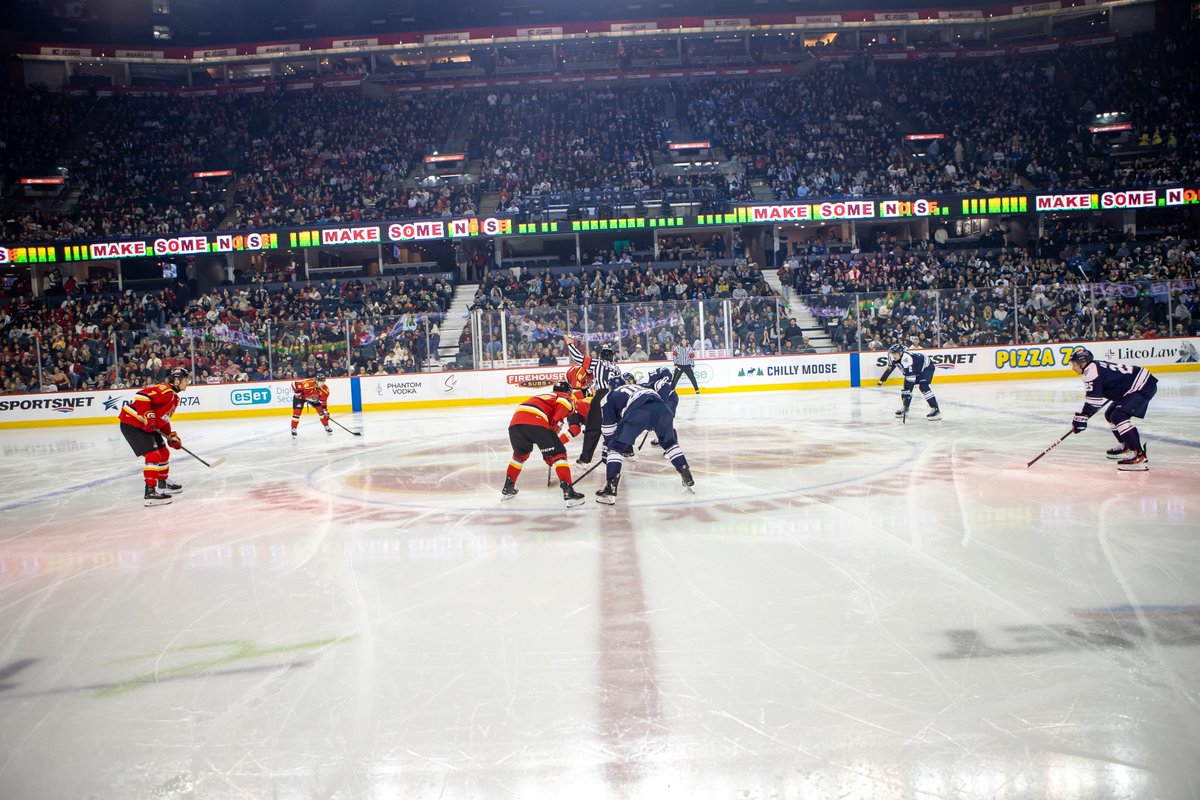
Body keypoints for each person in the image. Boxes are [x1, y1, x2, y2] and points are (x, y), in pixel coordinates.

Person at [595, 373, 693, 504]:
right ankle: (685, 472)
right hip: (662, 408)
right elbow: (664, 385)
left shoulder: (609, 397)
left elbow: (608, 429)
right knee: (670, 444)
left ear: (610, 387)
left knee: (615, 448)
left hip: (637, 411)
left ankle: (610, 486)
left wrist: (607, 449)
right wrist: (657, 408)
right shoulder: (640, 385)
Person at [1068, 347, 1157, 471]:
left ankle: (1139, 455)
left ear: (1083, 364)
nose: (1073, 368)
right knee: (1110, 414)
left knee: (1118, 416)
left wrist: (1080, 419)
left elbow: (1093, 402)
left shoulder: (1091, 372)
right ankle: (1126, 444)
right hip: (1135, 385)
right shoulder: (1092, 366)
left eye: (1074, 365)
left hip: (1142, 386)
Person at [503, 381, 586, 508]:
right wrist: (554, 425)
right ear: (568, 392)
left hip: (515, 424)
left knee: (520, 456)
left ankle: (508, 487)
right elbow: (563, 404)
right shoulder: (564, 397)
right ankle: (568, 491)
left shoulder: (544, 396)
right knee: (559, 454)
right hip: (536, 421)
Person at [118, 367, 189, 507]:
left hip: (147, 425)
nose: (187, 383)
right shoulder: (165, 390)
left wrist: (170, 437)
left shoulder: (174, 398)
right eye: (186, 380)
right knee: (153, 455)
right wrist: (148, 416)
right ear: (176, 380)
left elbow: (163, 418)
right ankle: (150, 493)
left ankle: (162, 483)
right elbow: (142, 396)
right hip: (132, 423)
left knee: (164, 453)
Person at [564, 333, 622, 463]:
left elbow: (579, 358)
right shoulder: (617, 368)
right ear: (612, 357)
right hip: (616, 397)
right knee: (616, 426)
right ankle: (625, 451)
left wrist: (570, 344)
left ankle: (585, 459)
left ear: (601, 356)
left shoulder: (597, 363)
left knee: (592, 429)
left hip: (601, 395)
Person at [877, 343, 941, 420]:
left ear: (901, 352)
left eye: (896, 353)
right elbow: (889, 369)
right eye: (892, 353)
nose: (893, 355)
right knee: (906, 390)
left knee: (923, 387)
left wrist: (906, 392)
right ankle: (905, 408)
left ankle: (935, 409)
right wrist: (881, 380)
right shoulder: (894, 359)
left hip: (926, 367)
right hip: (916, 368)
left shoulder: (907, 359)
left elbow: (911, 378)